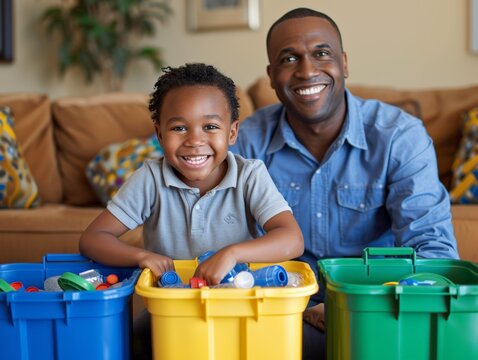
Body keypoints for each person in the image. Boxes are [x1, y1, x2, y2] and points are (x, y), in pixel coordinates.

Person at [229, 8, 459, 360]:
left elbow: (434, 253)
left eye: (322, 53)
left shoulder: (399, 136)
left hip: (377, 308)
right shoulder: (247, 143)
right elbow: (220, 238)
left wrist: (352, 308)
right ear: (272, 76)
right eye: (289, 58)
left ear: (345, 63)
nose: (307, 70)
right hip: (277, 307)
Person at [79, 63, 304, 358]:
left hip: (240, 305)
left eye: (210, 127)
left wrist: (232, 253)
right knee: (131, 343)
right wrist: (141, 256)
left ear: (232, 132)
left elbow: (292, 239)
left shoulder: (251, 175)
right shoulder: (151, 178)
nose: (194, 140)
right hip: (173, 310)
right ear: (160, 134)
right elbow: (93, 238)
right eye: (179, 127)